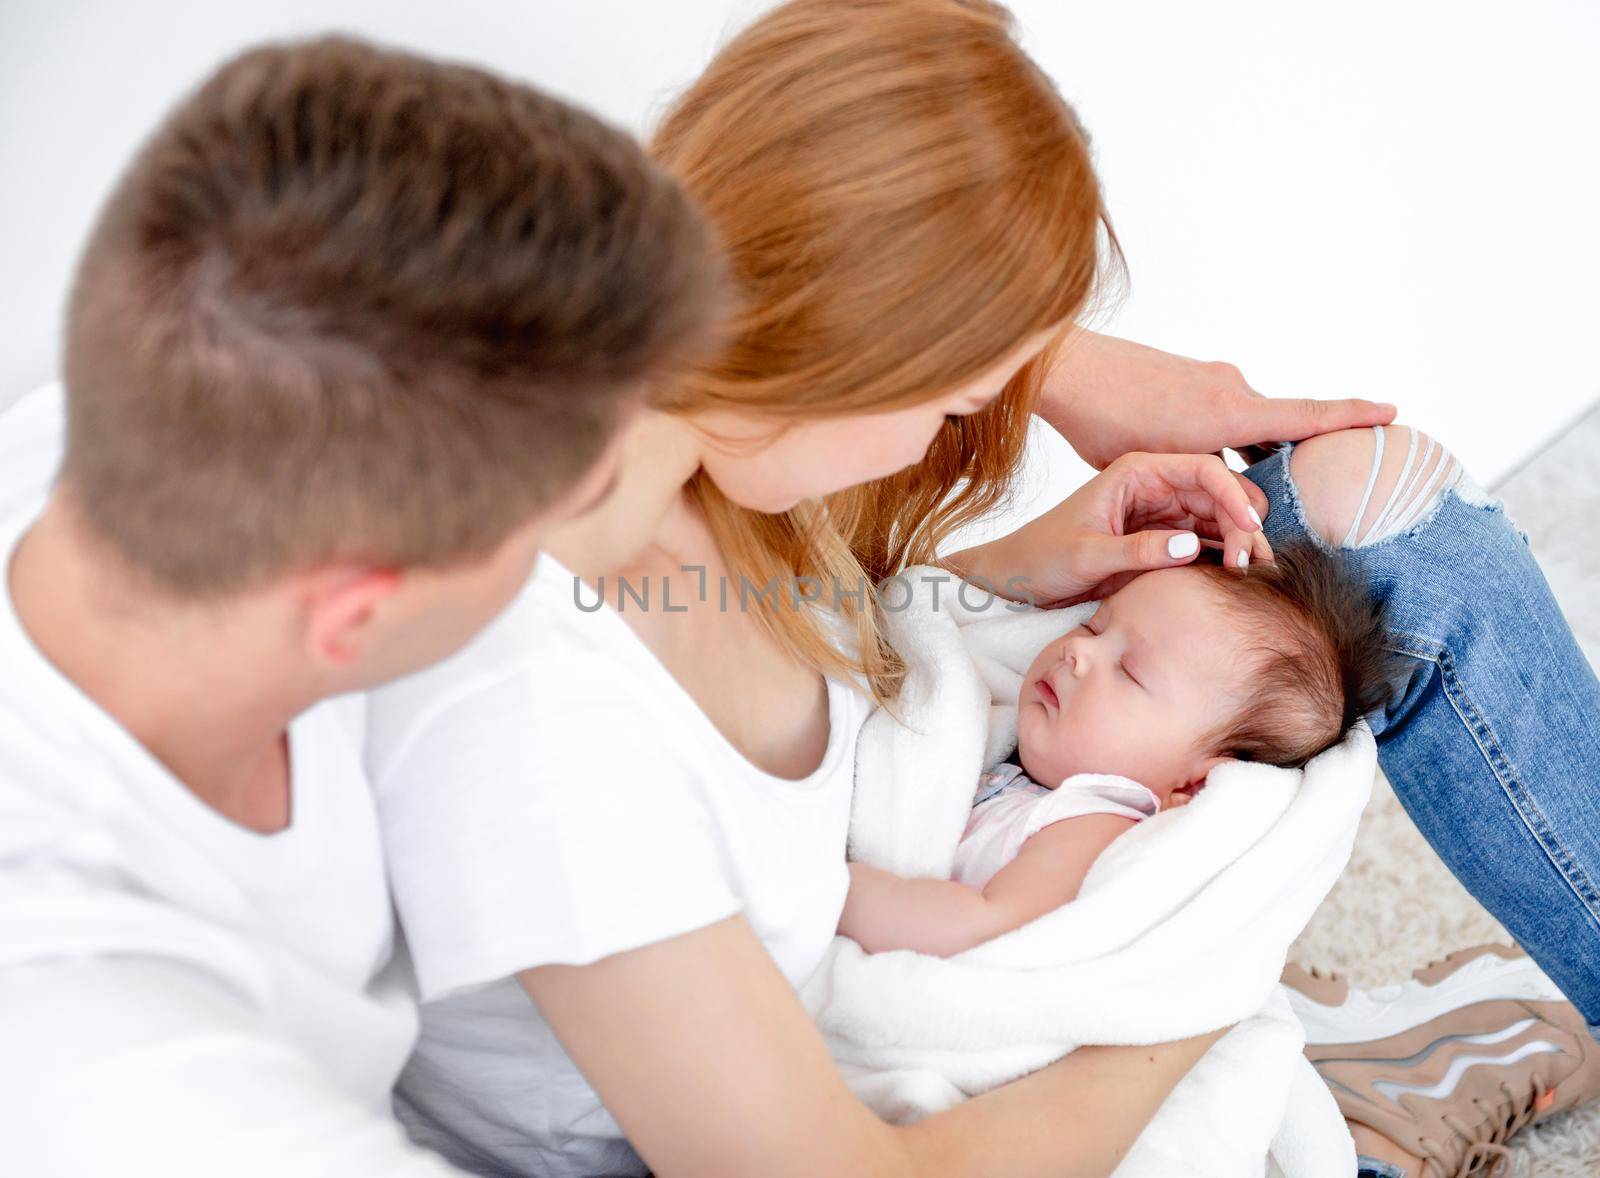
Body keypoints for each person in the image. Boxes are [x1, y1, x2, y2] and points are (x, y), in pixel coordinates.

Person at [362, 4, 1556, 1176]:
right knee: (1248, 1094)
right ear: (855, 348)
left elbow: (822, 657)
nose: (952, 441)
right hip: (875, 1104)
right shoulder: (550, 733)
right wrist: (1186, 1006)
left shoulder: (682, 468)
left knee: (1369, 507)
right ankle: (1394, 1079)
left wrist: (1009, 565)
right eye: (952, 405)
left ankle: (1398, 1064)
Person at [0, 36, 726, 1177]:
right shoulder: (104, 1057)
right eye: (571, 502)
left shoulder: (141, 405)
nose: (640, 474)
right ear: (355, 616)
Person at [839, 543, 1400, 958]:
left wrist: (825, 886)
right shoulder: (1007, 743)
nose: (1078, 655)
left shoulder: (1090, 824)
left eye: (1129, 672)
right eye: (1093, 625)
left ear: (1195, 784)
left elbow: (989, 927)